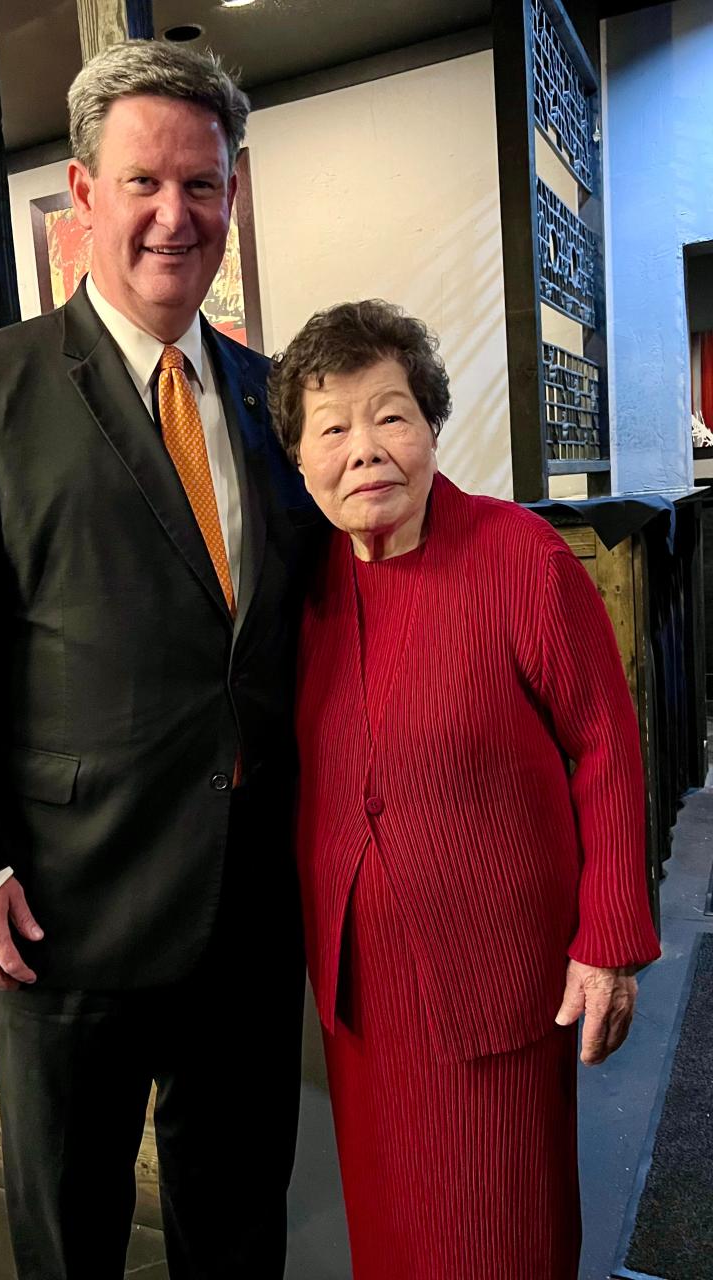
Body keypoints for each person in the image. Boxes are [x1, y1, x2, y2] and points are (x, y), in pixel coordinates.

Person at [0, 40, 317, 1280]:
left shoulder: (274, 395)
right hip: (63, 909)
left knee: (241, 1217)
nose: (177, 215)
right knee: (69, 1234)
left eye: (204, 184)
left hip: (246, 904)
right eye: (144, 183)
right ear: (83, 193)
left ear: (234, 194)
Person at [267, 299, 661, 1280]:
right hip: (364, 995)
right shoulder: (303, 588)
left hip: (494, 978)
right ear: (300, 457)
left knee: (501, 1231)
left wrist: (607, 942)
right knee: (392, 1233)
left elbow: (607, 746)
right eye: (332, 427)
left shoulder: (518, 560)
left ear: (433, 424)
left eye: (391, 413)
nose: (365, 449)